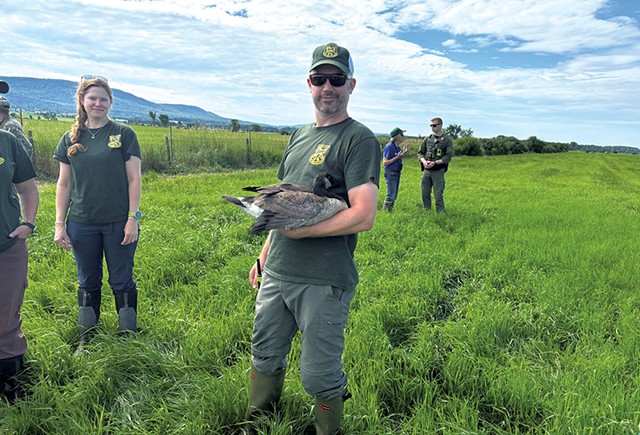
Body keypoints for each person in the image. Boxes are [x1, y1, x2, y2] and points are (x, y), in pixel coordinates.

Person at [244, 43, 381, 435]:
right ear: (309, 83)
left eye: (336, 79)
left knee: (319, 374)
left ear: (350, 85)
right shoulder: (299, 136)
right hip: (278, 272)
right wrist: (264, 255)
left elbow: (364, 214)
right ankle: (259, 424)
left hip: (323, 278)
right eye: (320, 78)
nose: (327, 87)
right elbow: (278, 208)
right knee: (264, 354)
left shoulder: (359, 139)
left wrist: (302, 231)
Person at [53, 76, 142, 346]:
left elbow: (134, 179)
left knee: (121, 280)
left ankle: (127, 338)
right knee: (87, 280)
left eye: (104, 98)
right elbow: (64, 183)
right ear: (82, 100)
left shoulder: (124, 134)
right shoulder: (70, 139)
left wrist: (132, 218)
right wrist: (60, 223)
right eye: (92, 98)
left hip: (118, 221)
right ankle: (86, 338)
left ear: (110, 102)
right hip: (82, 223)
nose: (98, 103)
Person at [0, 79, 39, 403]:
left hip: (7, 244)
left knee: (7, 313)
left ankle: (11, 381)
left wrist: (28, 223)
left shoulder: (7, 141)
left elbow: (27, 186)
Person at [418, 117, 454, 213]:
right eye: (431, 125)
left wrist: (435, 163)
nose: (432, 127)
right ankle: (426, 211)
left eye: (434, 125)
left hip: (438, 171)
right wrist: (424, 161)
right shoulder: (428, 139)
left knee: (438, 194)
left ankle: (440, 213)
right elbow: (420, 153)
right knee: (424, 193)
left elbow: (448, 156)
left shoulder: (447, 140)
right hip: (426, 170)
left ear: (440, 125)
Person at [382, 127, 408, 212]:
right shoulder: (389, 146)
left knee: (394, 194)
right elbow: (385, 163)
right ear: (397, 137)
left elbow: (398, 156)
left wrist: (403, 153)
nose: (404, 136)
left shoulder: (397, 147)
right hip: (390, 173)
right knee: (391, 194)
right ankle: (385, 212)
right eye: (402, 134)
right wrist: (397, 157)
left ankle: (389, 212)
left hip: (396, 172)